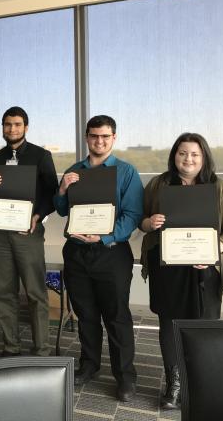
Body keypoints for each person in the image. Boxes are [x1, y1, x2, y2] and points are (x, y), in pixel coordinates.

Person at [139, 132, 223, 409]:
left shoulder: (220, 187)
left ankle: (202, 384)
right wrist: (150, 223)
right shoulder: (158, 184)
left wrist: (216, 249)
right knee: (168, 327)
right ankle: (174, 385)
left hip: (204, 270)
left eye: (194, 154)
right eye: (182, 153)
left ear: (204, 157)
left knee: (203, 327)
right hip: (167, 270)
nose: (188, 159)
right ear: (174, 155)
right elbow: (142, 221)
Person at [54, 115, 143, 402]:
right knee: (86, 315)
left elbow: (133, 216)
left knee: (117, 317)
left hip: (111, 253)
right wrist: (63, 190)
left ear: (113, 138)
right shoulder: (73, 170)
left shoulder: (126, 172)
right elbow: (61, 210)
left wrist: (104, 237)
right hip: (78, 253)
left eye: (105, 136)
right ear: (86, 137)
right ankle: (89, 365)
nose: (99, 141)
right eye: (94, 136)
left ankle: (125, 377)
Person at [0, 106, 58, 356]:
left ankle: (42, 351)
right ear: (2, 127)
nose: (11, 129)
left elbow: (52, 194)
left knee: (36, 292)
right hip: (2, 233)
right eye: (7, 124)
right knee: (4, 292)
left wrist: (38, 216)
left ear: (26, 127)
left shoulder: (41, 156)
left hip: (29, 233)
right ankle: (11, 347)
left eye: (16, 124)